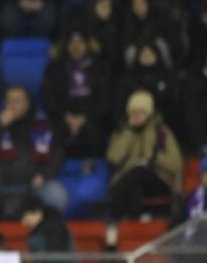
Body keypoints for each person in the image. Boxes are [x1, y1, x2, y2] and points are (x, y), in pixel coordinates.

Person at [0, 85, 67, 229]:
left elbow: (58, 155)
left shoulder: (43, 124)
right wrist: (0, 124)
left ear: (27, 103)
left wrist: (44, 175)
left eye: (17, 101)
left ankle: (39, 233)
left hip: (33, 185)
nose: (12, 105)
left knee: (57, 196)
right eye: (9, 101)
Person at [106, 90, 182, 221]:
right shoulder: (122, 131)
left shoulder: (161, 132)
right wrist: (129, 133)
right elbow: (112, 158)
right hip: (129, 182)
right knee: (134, 185)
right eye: (133, 112)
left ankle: (111, 208)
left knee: (138, 172)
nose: (137, 116)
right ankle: (133, 225)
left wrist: (155, 157)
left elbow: (176, 164)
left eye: (141, 112)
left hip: (157, 180)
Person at [40, 32, 111, 161]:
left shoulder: (100, 67)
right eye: (72, 43)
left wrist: (85, 118)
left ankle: (92, 168)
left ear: (87, 45)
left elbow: (105, 98)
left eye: (80, 43)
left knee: (94, 132)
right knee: (54, 133)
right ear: (67, 46)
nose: (76, 46)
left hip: (91, 117)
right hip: (62, 116)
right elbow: (48, 97)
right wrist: (66, 117)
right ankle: (54, 170)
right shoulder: (55, 67)